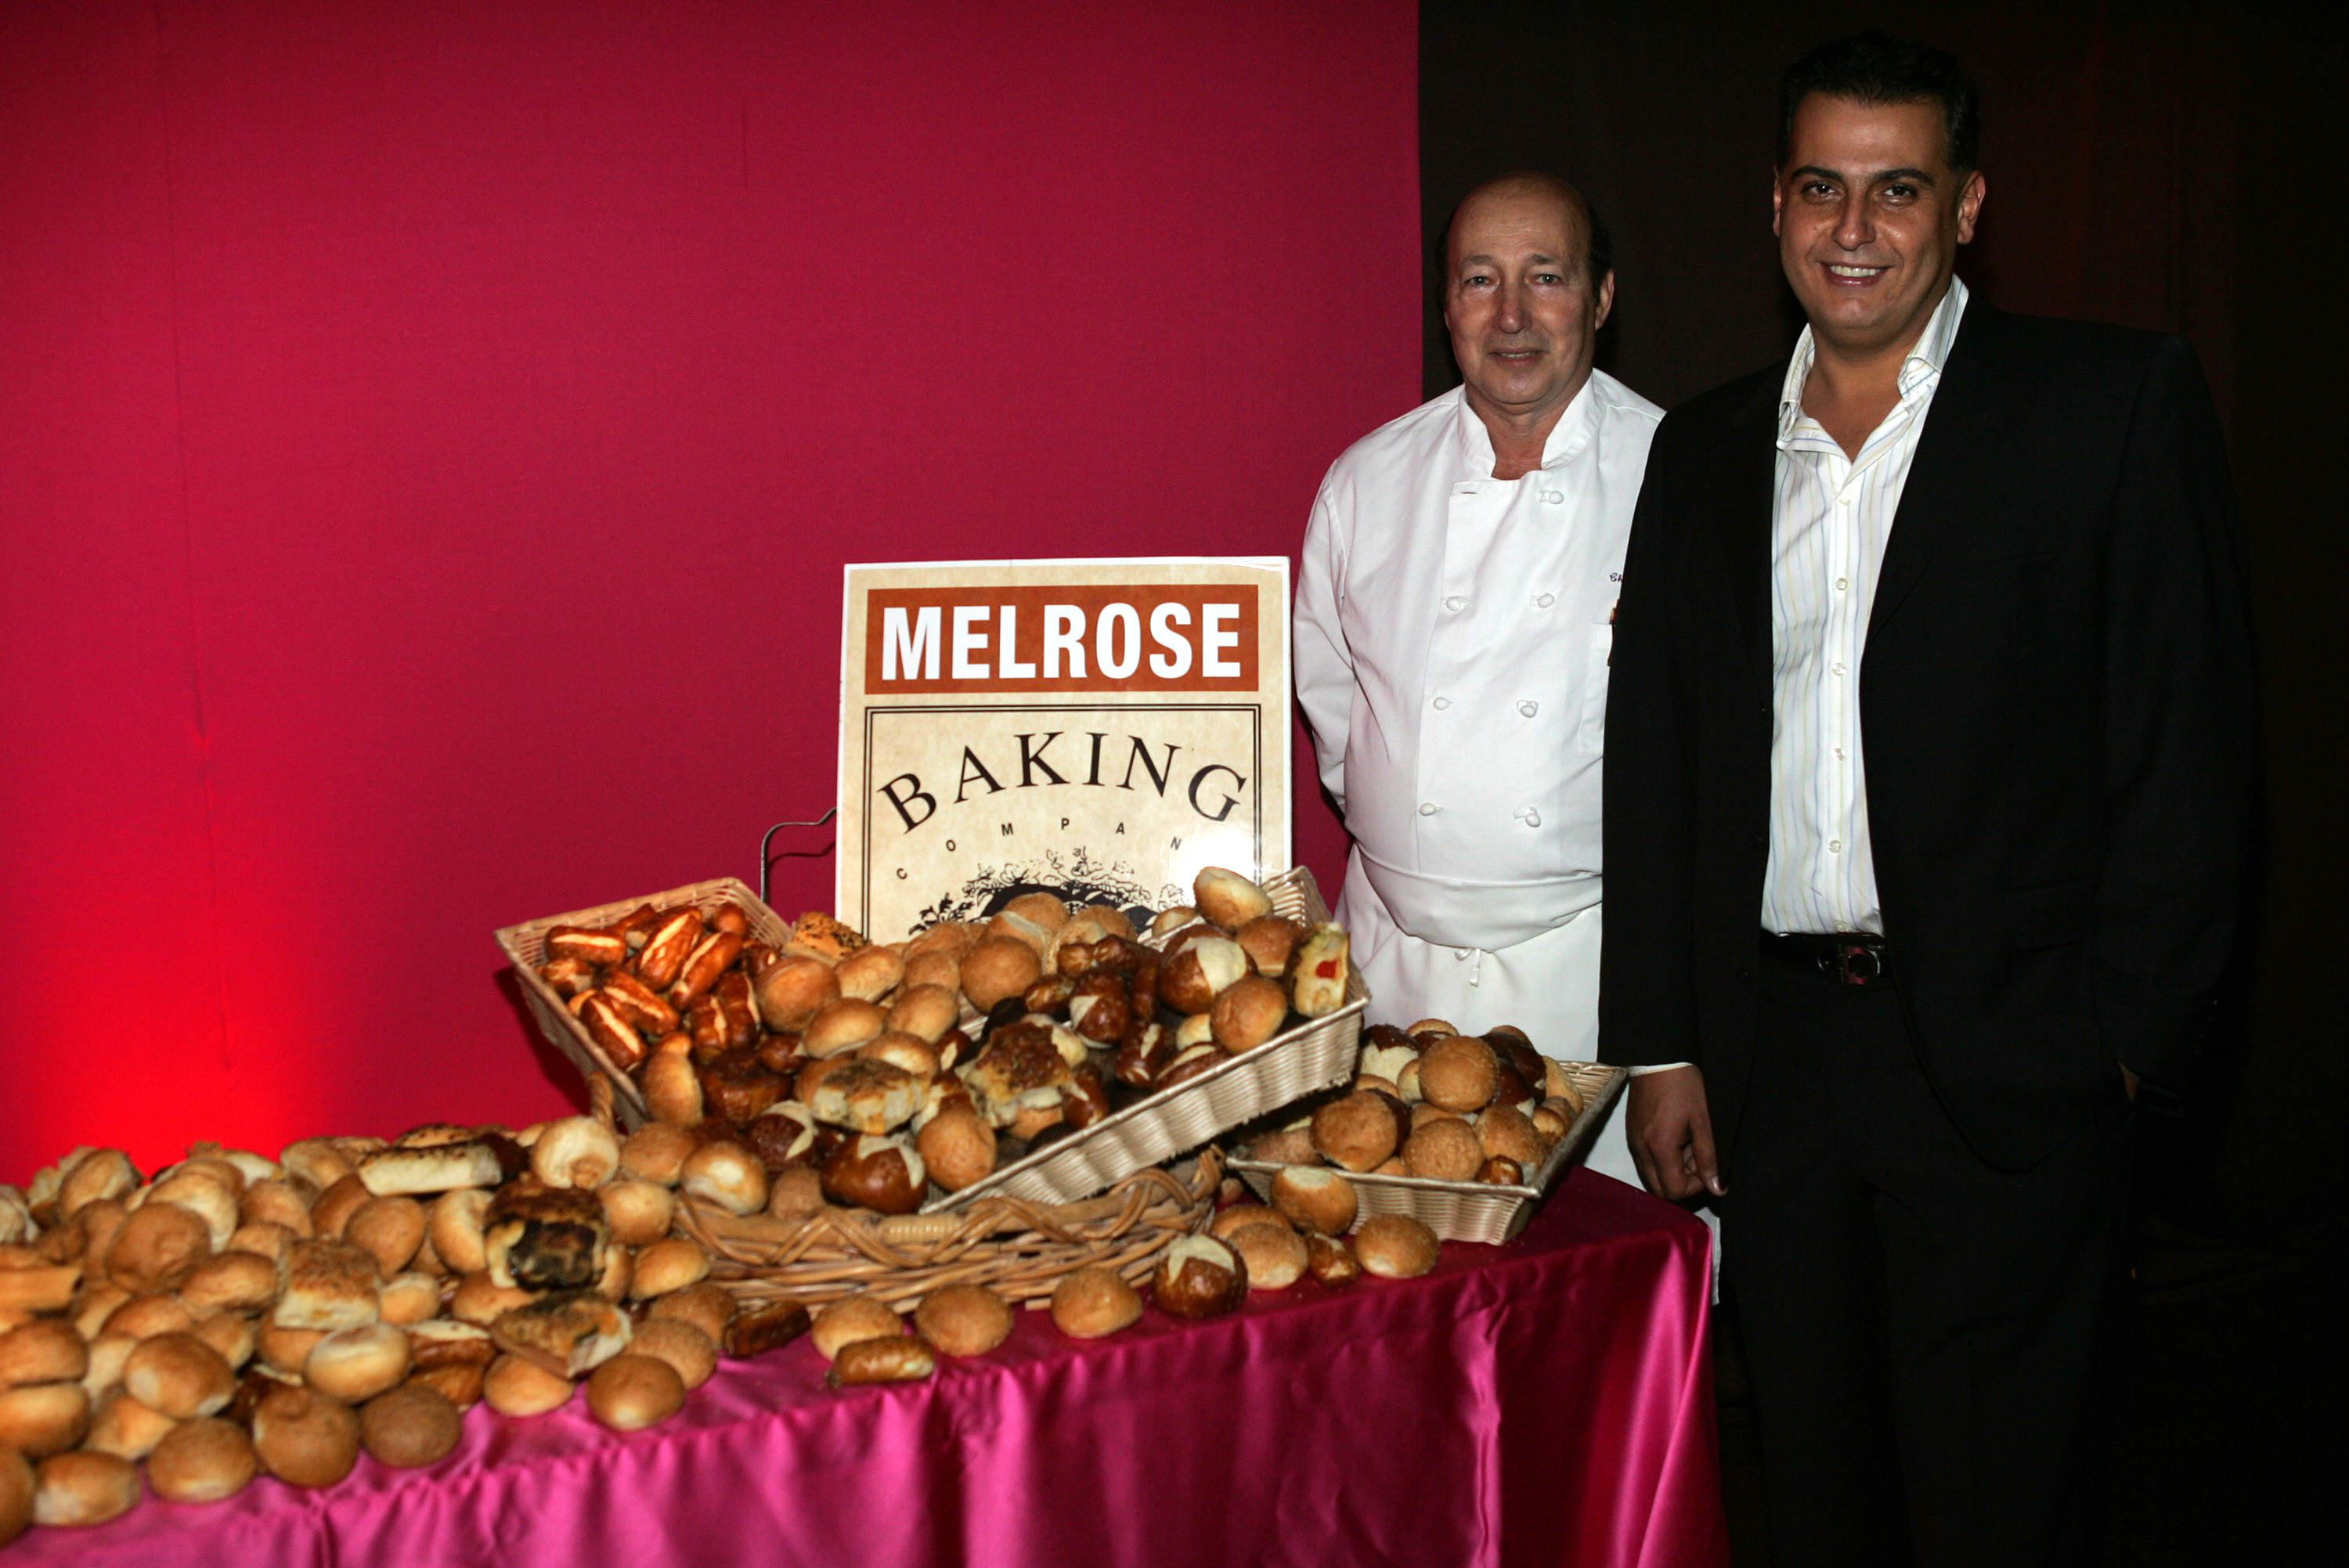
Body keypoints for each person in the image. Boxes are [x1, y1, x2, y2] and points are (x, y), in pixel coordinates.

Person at [1600, 32, 2253, 1567]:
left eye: (1897, 189)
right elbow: (1660, 757)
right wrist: (1663, 1044)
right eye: (1821, 186)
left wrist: (2125, 1051)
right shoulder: (1701, 451)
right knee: (1813, 1488)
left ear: (1965, 206)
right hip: (1775, 1069)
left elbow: (2192, 753)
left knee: (2002, 1504)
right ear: (1774, 203)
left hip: (2018, 1066)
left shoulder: (2106, 407)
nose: (1855, 227)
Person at [1296, 171, 1661, 1192]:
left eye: (1545, 277)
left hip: (1589, 979)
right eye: (1479, 279)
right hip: (1389, 971)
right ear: (1447, 304)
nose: (1511, 317)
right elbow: (1333, 703)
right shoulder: (1366, 480)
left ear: (1600, 297)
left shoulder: (1678, 473)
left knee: (1593, 1274)